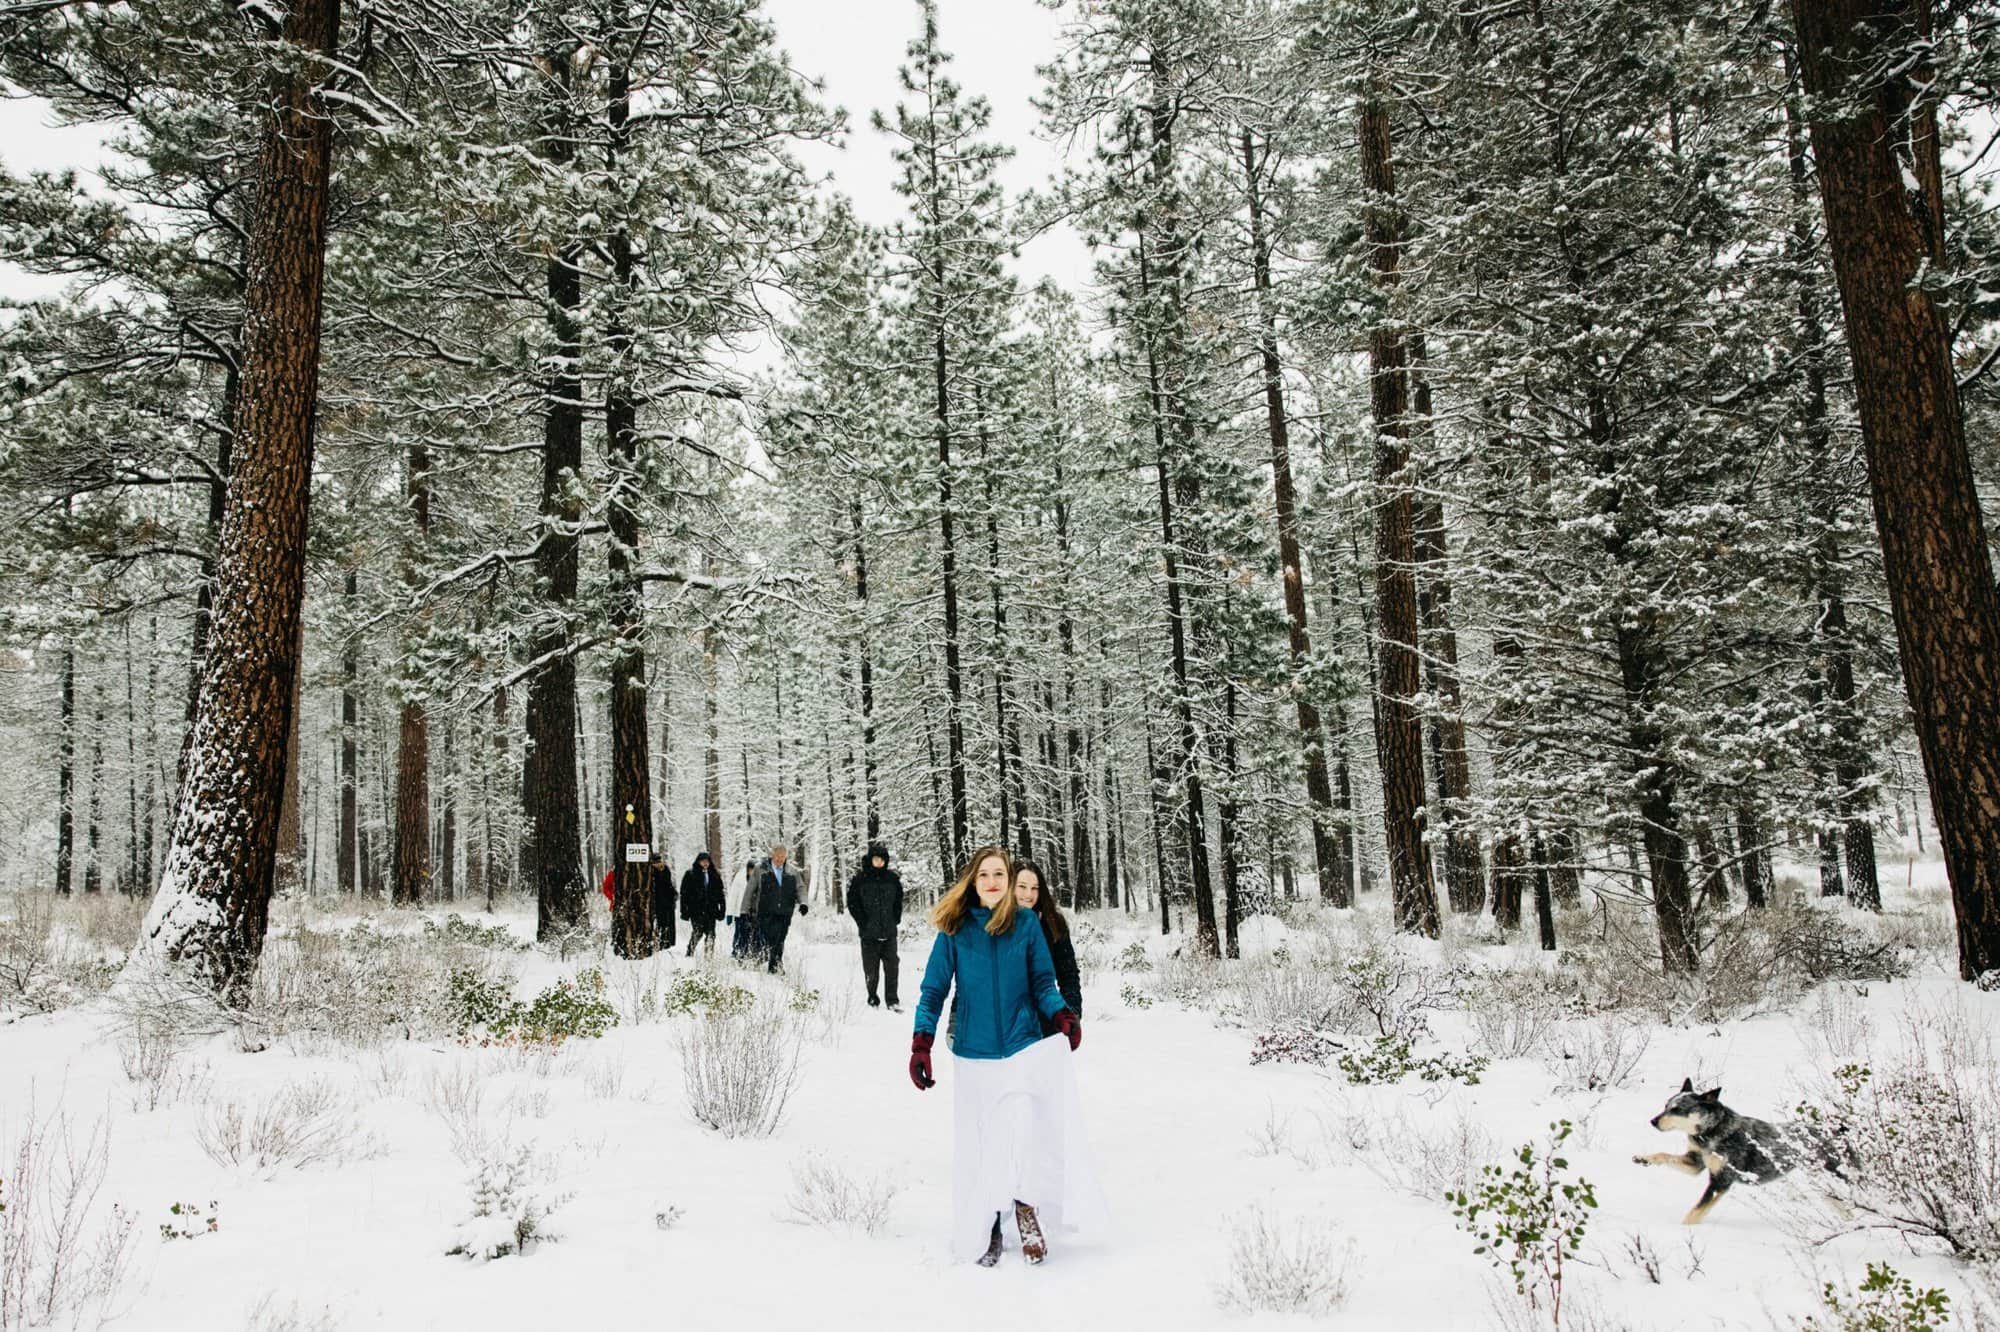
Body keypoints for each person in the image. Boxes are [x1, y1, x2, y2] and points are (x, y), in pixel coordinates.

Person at [909, 846, 1105, 1268]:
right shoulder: (955, 929)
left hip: (1021, 1045)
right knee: (982, 1143)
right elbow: (933, 990)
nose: (994, 882)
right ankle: (990, 1221)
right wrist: (921, 1043)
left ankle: (1026, 1207)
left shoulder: (1026, 927)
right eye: (985, 875)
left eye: (1000, 874)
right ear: (973, 881)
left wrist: (1061, 1014)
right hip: (973, 1053)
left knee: (1021, 1131)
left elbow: (1042, 982)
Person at [1012, 860, 1082, 1035]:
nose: (1029, 894)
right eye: (1022, 886)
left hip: (1047, 1025)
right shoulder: (995, 925)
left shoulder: (1053, 923)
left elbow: (1068, 975)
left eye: (1034, 888)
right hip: (1006, 1029)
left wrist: (1070, 1013)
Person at [847, 842, 905, 1010]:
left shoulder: (892, 879)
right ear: (871, 859)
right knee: (871, 969)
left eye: (882, 859)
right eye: (876, 859)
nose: (879, 862)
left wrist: (896, 918)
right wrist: (862, 922)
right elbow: (852, 902)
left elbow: (898, 901)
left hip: (889, 932)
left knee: (892, 966)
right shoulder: (860, 879)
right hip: (868, 934)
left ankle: (892, 999)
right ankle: (873, 997)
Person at [753, 844, 807, 973]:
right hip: (766, 911)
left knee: (780, 938)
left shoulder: (792, 871)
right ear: (772, 855)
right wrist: (744, 910)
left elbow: (800, 888)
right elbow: (751, 889)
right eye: (777, 856)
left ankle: (775, 966)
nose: (779, 859)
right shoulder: (761, 869)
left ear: (786, 857)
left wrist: (803, 903)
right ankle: (776, 964)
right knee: (773, 937)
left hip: (785, 911)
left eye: (782, 857)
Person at [680, 851, 727, 957]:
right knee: (698, 932)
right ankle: (690, 952)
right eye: (703, 861)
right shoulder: (690, 874)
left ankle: (709, 955)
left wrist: (722, 910)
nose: (705, 863)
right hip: (696, 910)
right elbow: (684, 894)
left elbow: (720, 893)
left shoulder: (714, 874)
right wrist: (684, 911)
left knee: (711, 934)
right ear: (698, 862)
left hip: (711, 910)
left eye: (707, 861)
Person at [730, 856, 763, 960]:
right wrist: (730, 913)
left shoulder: (762, 878)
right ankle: (738, 955)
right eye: (751, 869)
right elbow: (733, 895)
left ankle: (755, 956)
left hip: (756, 914)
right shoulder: (740, 878)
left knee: (756, 936)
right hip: (741, 913)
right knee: (741, 935)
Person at [649, 855, 677, 950]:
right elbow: (668, 884)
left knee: (660, 923)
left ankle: (661, 943)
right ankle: (666, 942)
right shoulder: (665, 869)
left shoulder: (651, 870)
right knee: (666, 923)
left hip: (659, 900)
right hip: (666, 900)